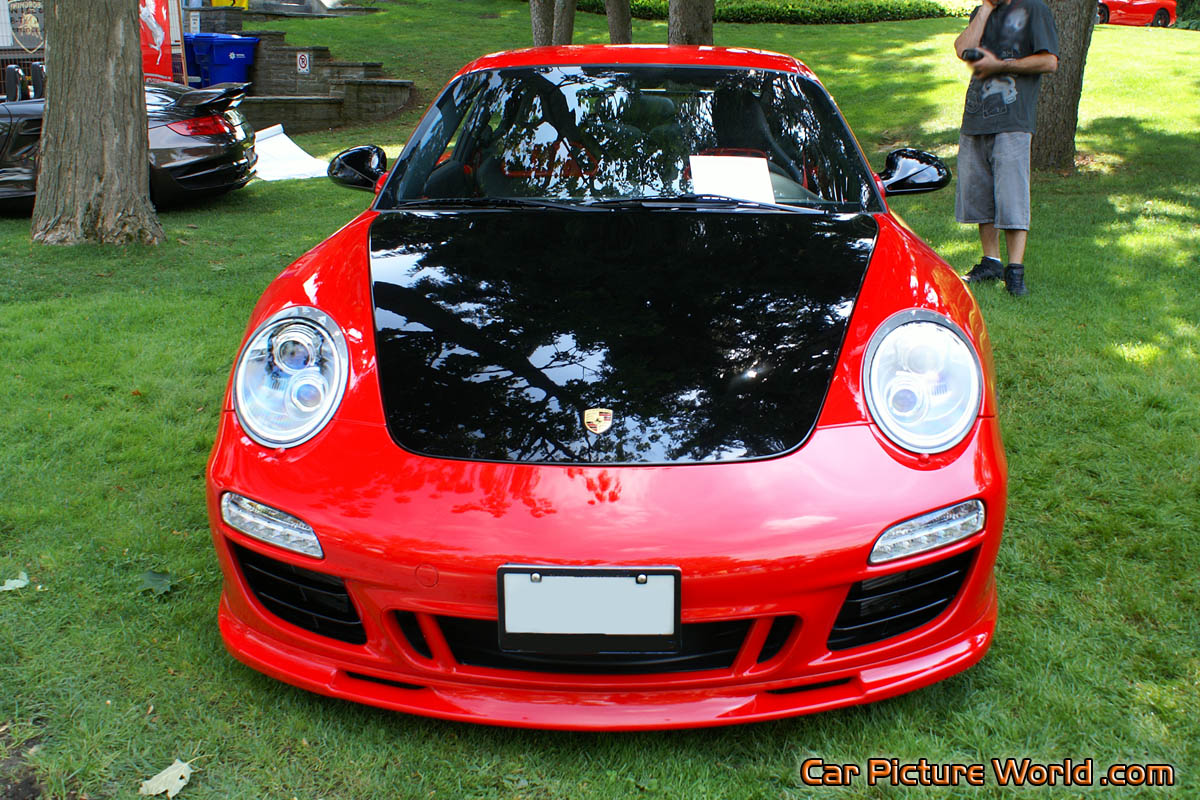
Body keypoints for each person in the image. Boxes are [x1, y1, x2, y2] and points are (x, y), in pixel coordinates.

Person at [954, 0, 1058, 296]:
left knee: (1012, 195)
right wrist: (986, 8)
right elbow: (963, 49)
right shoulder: (982, 12)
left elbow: (1049, 61)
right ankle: (990, 262)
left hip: (1013, 120)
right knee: (979, 194)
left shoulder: (1033, 9)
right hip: (976, 118)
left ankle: (1015, 270)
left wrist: (1003, 65)